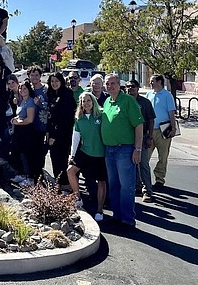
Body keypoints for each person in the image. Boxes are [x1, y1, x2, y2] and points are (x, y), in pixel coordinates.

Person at [101, 74, 144, 228]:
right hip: (109, 150)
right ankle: (117, 215)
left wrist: (137, 149)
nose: (110, 86)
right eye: (107, 83)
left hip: (125, 149)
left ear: (119, 85)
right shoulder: (107, 102)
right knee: (114, 185)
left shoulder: (128, 101)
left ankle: (128, 219)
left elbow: (138, 125)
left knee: (126, 186)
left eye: (113, 83)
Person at [67, 92, 108, 221]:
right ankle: (78, 198)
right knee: (70, 171)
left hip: (101, 154)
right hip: (85, 152)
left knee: (101, 182)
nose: (86, 103)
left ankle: (100, 210)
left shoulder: (101, 115)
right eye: (83, 101)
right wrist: (72, 154)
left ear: (93, 101)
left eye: (88, 100)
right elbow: (76, 137)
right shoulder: (79, 118)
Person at [126, 80, 156, 202]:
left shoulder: (145, 102)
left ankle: (147, 190)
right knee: (132, 164)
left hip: (142, 137)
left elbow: (151, 120)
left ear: (138, 88)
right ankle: (137, 187)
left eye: (132, 87)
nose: (130, 89)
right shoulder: (124, 101)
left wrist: (150, 137)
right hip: (127, 138)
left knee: (143, 164)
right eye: (127, 87)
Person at [146, 74, 177, 188]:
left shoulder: (167, 95)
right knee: (145, 157)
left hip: (163, 130)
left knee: (162, 156)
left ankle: (159, 179)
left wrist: (173, 128)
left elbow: (171, 113)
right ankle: (144, 180)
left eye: (152, 81)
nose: (151, 83)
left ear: (159, 82)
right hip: (150, 130)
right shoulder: (149, 94)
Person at [46, 72, 76, 186]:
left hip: (63, 135)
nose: (54, 83)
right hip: (52, 133)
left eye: (57, 81)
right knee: (55, 159)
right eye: (52, 81)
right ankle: (58, 184)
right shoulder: (51, 94)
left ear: (61, 82)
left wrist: (55, 136)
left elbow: (66, 119)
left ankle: (65, 186)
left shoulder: (67, 94)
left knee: (61, 161)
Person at [9, 80, 38, 186]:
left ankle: (30, 179)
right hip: (18, 131)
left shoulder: (30, 102)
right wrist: (14, 120)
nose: (22, 90)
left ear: (29, 90)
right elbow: (20, 115)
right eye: (21, 88)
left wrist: (17, 122)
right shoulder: (22, 101)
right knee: (14, 153)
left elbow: (30, 119)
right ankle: (21, 174)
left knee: (28, 155)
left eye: (25, 88)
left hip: (27, 131)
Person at [0, 74, 19, 168]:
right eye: (9, 83)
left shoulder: (22, 92)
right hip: (11, 120)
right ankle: (4, 158)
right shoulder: (10, 94)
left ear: (17, 82)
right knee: (4, 137)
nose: (11, 85)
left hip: (21, 121)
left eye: (13, 83)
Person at [27, 66, 49, 181]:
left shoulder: (46, 89)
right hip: (30, 125)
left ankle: (40, 176)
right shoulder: (28, 89)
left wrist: (40, 104)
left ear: (40, 76)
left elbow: (50, 107)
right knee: (31, 152)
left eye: (36, 75)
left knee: (41, 152)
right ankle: (32, 176)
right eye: (32, 75)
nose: (34, 77)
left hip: (42, 125)